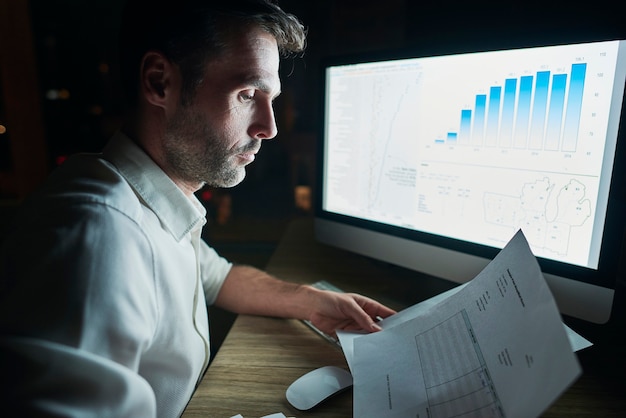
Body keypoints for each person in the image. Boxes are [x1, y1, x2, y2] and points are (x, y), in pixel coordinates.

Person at [0, 0, 396, 416]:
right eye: (247, 94)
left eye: (271, 98)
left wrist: (311, 302)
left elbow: (216, 277)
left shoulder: (149, 198)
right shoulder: (97, 238)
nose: (270, 127)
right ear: (159, 83)